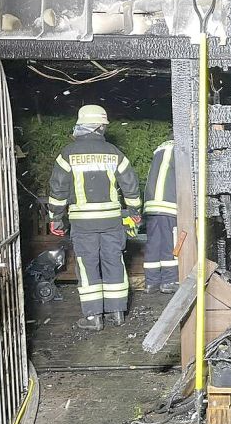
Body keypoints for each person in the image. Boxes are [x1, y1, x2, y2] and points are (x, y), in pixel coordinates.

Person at [47, 105, 142, 330]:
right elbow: (130, 185)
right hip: (112, 221)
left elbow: (58, 189)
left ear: (80, 126)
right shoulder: (114, 153)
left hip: (83, 224)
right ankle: (117, 313)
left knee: (87, 265)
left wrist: (55, 218)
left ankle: (93, 318)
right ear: (101, 127)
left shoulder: (67, 154)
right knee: (114, 262)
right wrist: (135, 212)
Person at [142, 135, 179, 294]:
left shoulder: (161, 148)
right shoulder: (180, 148)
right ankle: (169, 281)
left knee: (154, 244)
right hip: (168, 204)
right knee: (170, 244)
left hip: (152, 204)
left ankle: (151, 283)